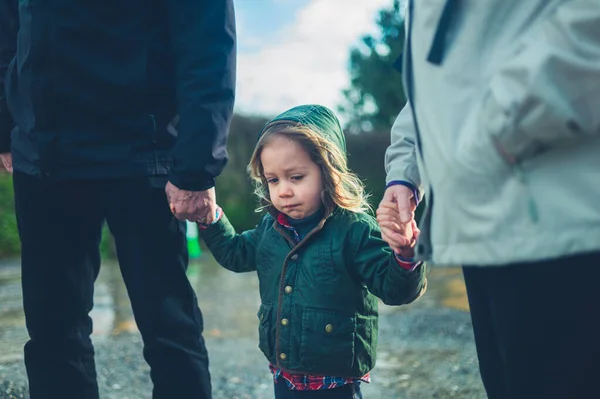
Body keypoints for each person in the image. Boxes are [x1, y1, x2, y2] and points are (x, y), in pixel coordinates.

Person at [0, 1, 236, 398]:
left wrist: (196, 165)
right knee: (53, 334)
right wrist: (5, 124)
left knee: (169, 329)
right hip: (44, 156)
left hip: (144, 153)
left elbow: (207, 37)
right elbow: (7, 25)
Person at [379, 1, 600, 399]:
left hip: (559, 219)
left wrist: (496, 132)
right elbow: (433, 89)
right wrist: (406, 172)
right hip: (478, 226)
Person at [199, 104, 427, 399]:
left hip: (336, 381)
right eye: (273, 180)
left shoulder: (355, 229)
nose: (283, 191)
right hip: (284, 371)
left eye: (296, 177)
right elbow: (235, 253)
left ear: (328, 172)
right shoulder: (271, 228)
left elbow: (396, 290)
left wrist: (406, 254)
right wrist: (210, 218)